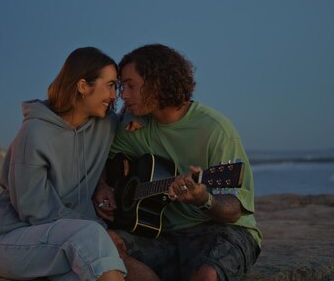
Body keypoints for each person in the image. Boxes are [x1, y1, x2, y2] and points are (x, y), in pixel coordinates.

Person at [95, 44, 262, 281]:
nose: (123, 95)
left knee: (207, 275)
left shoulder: (215, 130)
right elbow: (105, 157)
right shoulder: (135, 127)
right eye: (122, 86)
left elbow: (234, 209)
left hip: (220, 231)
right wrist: (103, 186)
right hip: (162, 234)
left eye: (131, 86)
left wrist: (204, 199)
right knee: (105, 245)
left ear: (157, 83)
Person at [0, 47, 152, 281]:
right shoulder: (35, 132)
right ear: (83, 86)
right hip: (17, 241)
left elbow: (134, 113)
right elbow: (34, 209)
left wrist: (133, 118)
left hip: (70, 243)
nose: (115, 96)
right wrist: (96, 228)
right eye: (111, 85)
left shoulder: (104, 125)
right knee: (92, 236)